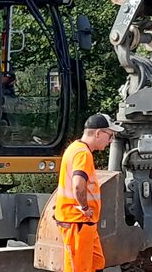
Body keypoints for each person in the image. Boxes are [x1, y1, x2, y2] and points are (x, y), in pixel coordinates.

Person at [52, 113, 119, 272]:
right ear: (98, 133)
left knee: (96, 264)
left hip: (83, 223)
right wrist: (84, 208)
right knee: (80, 268)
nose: (110, 142)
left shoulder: (76, 148)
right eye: (109, 136)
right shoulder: (83, 153)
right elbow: (78, 186)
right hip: (78, 221)